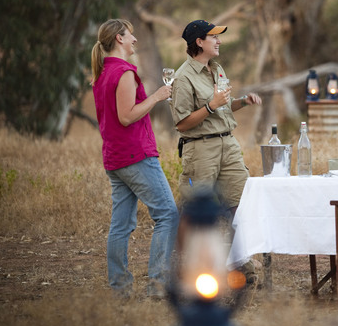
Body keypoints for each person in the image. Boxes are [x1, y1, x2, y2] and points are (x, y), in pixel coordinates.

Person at [91, 18, 180, 299]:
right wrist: (156, 97)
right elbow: (126, 116)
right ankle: (157, 285)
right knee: (168, 214)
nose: (135, 40)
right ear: (119, 38)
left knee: (121, 225)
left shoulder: (102, 72)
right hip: (135, 155)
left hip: (115, 157)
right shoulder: (124, 72)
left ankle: (120, 289)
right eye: (131, 35)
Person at [169, 20, 262, 280]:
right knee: (194, 209)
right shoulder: (183, 77)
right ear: (199, 42)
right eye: (213, 37)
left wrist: (242, 102)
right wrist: (211, 106)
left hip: (228, 144)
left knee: (241, 204)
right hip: (200, 149)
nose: (219, 41)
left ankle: (240, 262)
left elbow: (222, 106)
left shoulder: (217, 68)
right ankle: (182, 267)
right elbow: (182, 123)